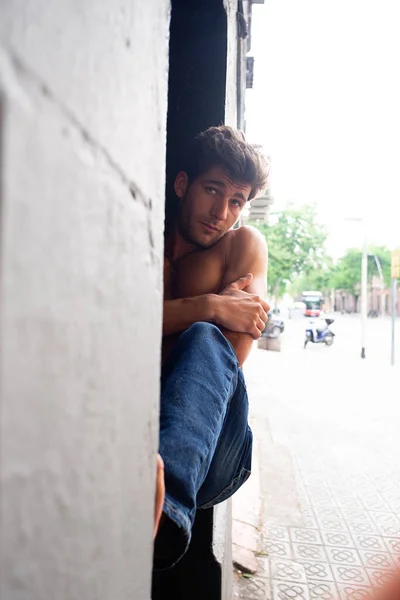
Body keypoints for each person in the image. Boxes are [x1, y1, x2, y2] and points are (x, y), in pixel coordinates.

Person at [154, 126, 270, 569]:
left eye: (237, 200)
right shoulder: (148, 243)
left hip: (218, 451)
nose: (222, 211)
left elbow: (231, 353)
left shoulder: (242, 245)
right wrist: (210, 304)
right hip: (143, 425)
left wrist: (169, 319)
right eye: (213, 190)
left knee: (206, 338)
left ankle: (164, 510)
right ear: (184, 185)